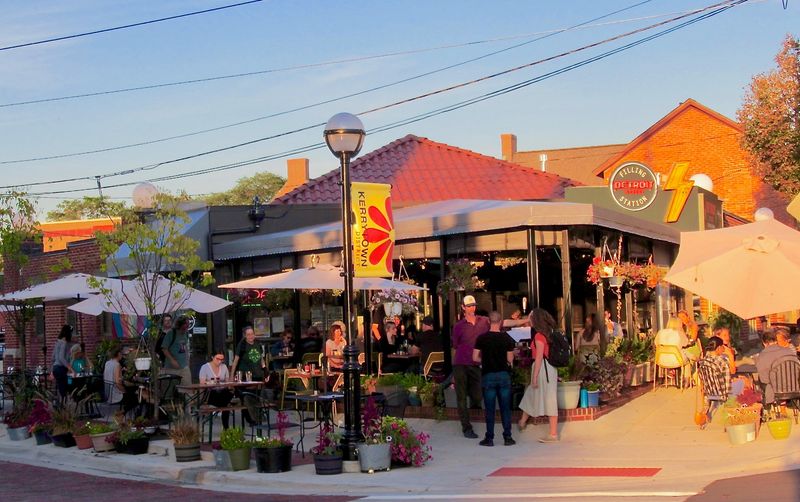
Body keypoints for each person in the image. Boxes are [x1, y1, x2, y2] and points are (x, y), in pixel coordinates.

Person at [473, 311, 516, 447]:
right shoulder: (507, 338)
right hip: (503, 374)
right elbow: (510, 359)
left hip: (488, 374)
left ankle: (489, 437)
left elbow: (474, 358)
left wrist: (484, 361)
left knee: (490, 408)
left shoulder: (481, 338)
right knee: (505, 408)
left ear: (488, 322)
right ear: (501, 321)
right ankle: (508, 437)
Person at [517, 308, 559, 443]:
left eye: (530, 317)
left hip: (542, 369)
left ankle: (553, 434)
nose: (529, 319)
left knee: (548, 398)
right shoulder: (548, 333)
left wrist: (534, 377)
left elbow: (539, 357)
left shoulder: (539, 336)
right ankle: (522, 422)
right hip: (548, 368)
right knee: (532, 394)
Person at [451, 295, 488, 439]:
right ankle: (466, 428)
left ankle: (473, 405)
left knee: (478, 394)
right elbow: (455, 346)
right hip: (460, 363)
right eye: (469, 305)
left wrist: (524, 321)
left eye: (473, 305)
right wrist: (453, 369)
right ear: (463, 307)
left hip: (476, 363)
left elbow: (500, 322)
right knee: (461, 397)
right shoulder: (459, 326)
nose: (472, 308)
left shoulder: (483, 321)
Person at [755, 328, 797, 405]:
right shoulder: (788, 350)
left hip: (776, 391)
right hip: (794, 388)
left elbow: (764, 379)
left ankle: (768, 404)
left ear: (764, 343)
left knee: (759, 380)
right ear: (775, 340)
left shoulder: (762, 355)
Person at [198, 350, 233, 429]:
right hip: (211, 393)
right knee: (226, 403)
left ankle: (226, 427)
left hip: (222, 392)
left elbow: (228, 382)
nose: (220, 361)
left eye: (222, 359)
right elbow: (202, 383)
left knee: (227, 394)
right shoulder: (205, 367)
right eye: (218, 359)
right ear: (212, 357)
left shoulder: (224, 367)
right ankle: (226, 428)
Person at [103, 347, 138, 413]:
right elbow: (117, 383)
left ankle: (122, 412)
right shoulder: (117, 364)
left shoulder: (107, 363)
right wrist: (124, 391)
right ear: (118, 354)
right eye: (122, 354)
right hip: (116, 395)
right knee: (136, 398)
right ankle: (121, 413)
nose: (122, 356)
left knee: (132, 391)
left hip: (108, 394)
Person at [161, 316, 191, 387]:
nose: (187, 326)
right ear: (181, 324)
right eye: (186, 324)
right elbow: (164, 348)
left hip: (184, 367)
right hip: (172, 368)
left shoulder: (186, 334)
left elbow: (186, 347)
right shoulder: (171, 333)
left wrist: (188, 361)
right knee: (170, 390)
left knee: (187, 388)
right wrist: (172, 360)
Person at [52, 325, 74, 401]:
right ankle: (64, 404)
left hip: (56, 368)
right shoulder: (64, 343)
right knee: (68, 384)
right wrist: (69, 367)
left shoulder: (57, 342)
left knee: (61, 387)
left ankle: (61, 404)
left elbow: (53, 357)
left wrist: (52, 370)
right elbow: (61, 358)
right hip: (61, 368)